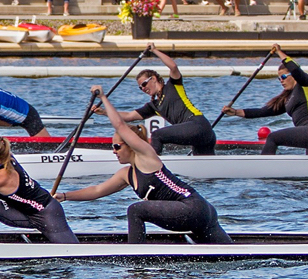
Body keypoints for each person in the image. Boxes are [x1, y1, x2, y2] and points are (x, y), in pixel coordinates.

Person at [57, 88, 234, 245]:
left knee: (135, 210)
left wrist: (103, 97)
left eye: (117, 146)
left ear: (130, 145)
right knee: (231, 255)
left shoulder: (147, 157)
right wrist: (64, 196)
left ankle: (135, 256)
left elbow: (119, 124)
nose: (114, 151)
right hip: (201, 212)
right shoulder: (126, 174)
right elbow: (96, 190)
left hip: (192, 207)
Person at [222, 45, 308, 155]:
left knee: (272, 138)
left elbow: (295, 69)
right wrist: (236, 112)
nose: (281, 81)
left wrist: (279, 52)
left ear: (293, 76)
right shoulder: (287, 98)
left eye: (283, 77)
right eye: (279, 78)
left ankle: (263, 167)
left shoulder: (306, 85)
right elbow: (263, 111)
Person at [116, 44, 216, 155]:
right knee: (203, 167)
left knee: (157, 135)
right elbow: (128, 116)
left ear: (153, 79)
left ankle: (152, 165)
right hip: (200, 136)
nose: (143, 88)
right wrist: (104, 111)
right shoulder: (153, 106)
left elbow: (173, 67)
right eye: (140, 87)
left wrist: (154, 50)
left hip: (198, 125)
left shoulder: (173, 85)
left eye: (144, 84)